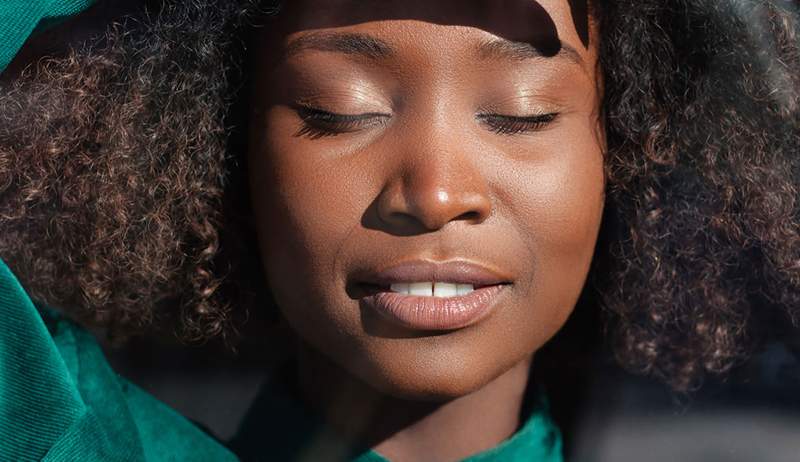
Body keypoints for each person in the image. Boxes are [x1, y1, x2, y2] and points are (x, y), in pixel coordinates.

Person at [0, 0, 798, 461]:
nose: (436, 192)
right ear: (221, 144)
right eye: (338, 110)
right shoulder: (70, 437)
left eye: (521, 115)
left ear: (617, 150)